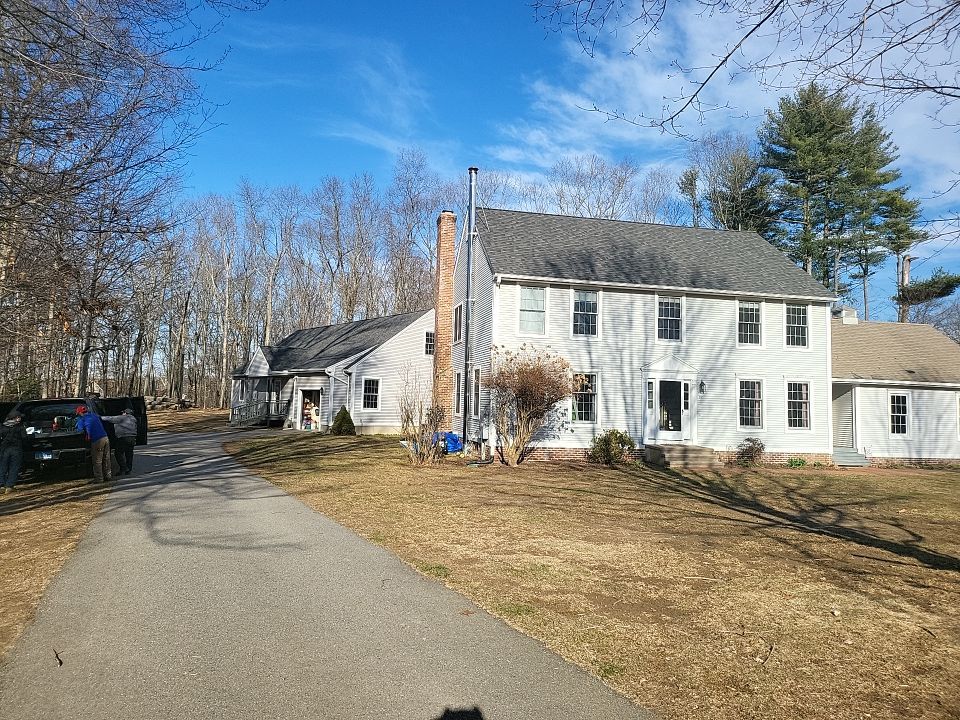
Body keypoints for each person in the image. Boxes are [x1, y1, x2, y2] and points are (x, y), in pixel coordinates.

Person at [75, 405, 111, 483]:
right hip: (105, 438)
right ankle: (108, 475)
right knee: (106, 458)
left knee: (97, 460)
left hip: (97, 441)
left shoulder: (82, 419)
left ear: (80, 413)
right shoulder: (94, 415)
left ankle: (99, 478)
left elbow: (79, 430)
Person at [101, 408, 138, 475]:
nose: (122, 413)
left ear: (125, 413)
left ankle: (123, 467)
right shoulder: (133, 419)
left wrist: (99, 417)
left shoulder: (122, 418)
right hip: (132, 438)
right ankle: (128, 469)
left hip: (123, 438)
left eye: (123, 412)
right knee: (129, 454)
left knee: (118, 453)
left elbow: (110, 418)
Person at [0, 412, 26, 494]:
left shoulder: (2, 426)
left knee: (2, 467)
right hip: (16, 449)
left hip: (4, 449)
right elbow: (24, 438)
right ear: (14, 418)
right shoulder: (20, 427)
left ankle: (1, 485)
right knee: (14, 467)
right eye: (18, 417)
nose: (20, 419)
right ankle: (9, 486)